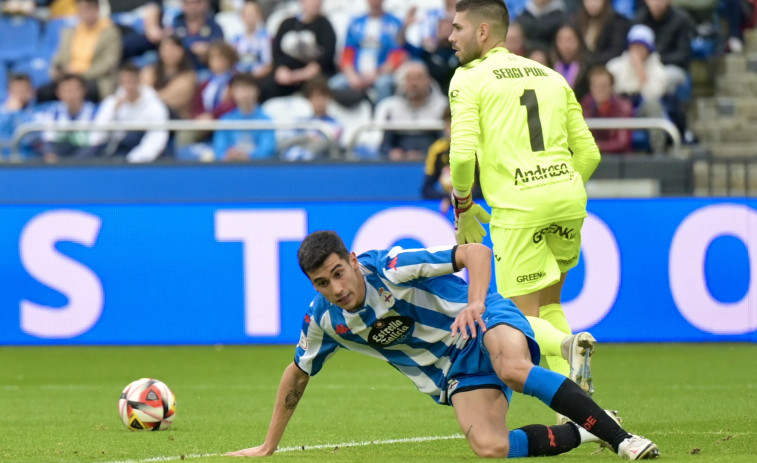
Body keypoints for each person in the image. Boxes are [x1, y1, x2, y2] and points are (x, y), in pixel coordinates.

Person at [226, 230, 660, 459]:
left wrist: (474, 304)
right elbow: (297, 373)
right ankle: (586, 433)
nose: (336, 288)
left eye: (339, 273)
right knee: (490, 447)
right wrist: (268, 446)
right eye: (322, 283)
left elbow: (476, 253)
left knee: (511, 367)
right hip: (457, 372)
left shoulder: (391, 267)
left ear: (353, 261)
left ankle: (623, 439)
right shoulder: (323, 319)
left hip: (486, 319)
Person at [446, 0, 601, 398]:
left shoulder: (469, 78)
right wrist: (559, 185)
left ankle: (568, 345)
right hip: (568, 199)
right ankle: (582, 409)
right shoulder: (551, 76)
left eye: (458, 28)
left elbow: (462, 155)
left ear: (483, 32)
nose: (450, 37)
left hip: (520, 208)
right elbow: (590, 154)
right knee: (550, 303)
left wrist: (463, 206)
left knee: (515, 316)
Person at [88, 63, 170, 162]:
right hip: (113, 154)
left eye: (133, 82)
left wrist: (132, 160)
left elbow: (157, 139)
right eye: (126, 82)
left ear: (140, 82)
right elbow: (96, 138)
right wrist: (112, 112)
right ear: (120, 83)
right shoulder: (111, 103)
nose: (129, 86)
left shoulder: (155, 106)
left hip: (139, 159)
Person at [606, 24, 668, 152]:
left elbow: (652, 95)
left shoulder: (659, 70)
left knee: (653, 106)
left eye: (642, 46)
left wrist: (640, 69)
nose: (637, 51)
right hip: (619, 109)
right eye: (635, 46)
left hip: (640, 110)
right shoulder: (614, 66)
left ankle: (659, 151)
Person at [43, 0, 122, 102]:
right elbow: (58, 57)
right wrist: (57, 72)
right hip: (68, 76)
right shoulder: (70, 32)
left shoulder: (110, 32)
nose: (84, 13)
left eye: (88, 8)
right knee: (44, 92)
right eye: (81, 9)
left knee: (84, 91)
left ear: (97, 9)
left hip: (93, 79)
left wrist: (80, 74)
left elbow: (108, 63)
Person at [329, 0, 406, 103]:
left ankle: (380, 115)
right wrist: (352, 76)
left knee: (383, 84)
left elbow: (397, 55)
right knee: (333, 85)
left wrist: (377, 74)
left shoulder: (395, 23)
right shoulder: (356, 23)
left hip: (381, 74)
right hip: (356, 74)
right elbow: (347, 54)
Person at [261, 0, 337, 101]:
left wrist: (298, 75)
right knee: (264, 87)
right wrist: (280, 68)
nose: (316, 3)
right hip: (286, 73)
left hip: (311, 75)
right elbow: (276, 51)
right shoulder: (286, 24)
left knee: (317, 88)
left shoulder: (325, 26)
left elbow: (326, 56)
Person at [380, 61, 448, 161]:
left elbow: (446, 142)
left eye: (419, 78)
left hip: (432, 161)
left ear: (428, 80)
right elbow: (385, 146)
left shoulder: (442, 106)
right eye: (410, 79)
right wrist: (392, 152)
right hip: (399, 164)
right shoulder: (392, 108)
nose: (414, 83)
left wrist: (426, 153)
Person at [212, 73, 276, 161]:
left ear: (257, 91)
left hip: (258, 169)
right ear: (233, 92)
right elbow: (219, 150)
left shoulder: (266, 120)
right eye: (240, 88)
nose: (244, 93)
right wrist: (228, 155)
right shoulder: (226, 120)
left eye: (248, 88)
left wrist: (248, 156)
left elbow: (268, 151)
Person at [35, 73, 98, 162]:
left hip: (86, 158)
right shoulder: (53, 111)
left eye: (74, 90)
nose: (71, 95)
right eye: (67, 91)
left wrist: (74, 163)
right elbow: (47, 139)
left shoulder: (95, 111)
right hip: (59, 157)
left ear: (84, 90)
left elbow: (96, 142)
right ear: (58, 93)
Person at [280, 77, 342, 161]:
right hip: (295, 166)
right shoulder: (300, 122)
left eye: (322, 97)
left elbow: (325, 144)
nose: (319, 101)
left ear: (329, 98)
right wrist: (307, 137)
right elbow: (282, 144)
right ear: (309, 99)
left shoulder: (336, 124)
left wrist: (300, 143)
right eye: (315, 97)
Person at [140, 34, 198, 119]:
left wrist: (149, 99)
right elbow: (142, 94)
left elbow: (170, 99)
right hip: (148, 117)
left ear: (181, 50)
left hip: (176, 119)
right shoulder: (150, 71)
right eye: (165, 49)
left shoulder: (189, 76)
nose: (169, 53)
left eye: (173, 48)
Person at [580, 66, 634, 154]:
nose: (599, 90)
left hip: (618, 159)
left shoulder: (623, 107)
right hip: (591, 157)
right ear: (591, 88)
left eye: (603, 86)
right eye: (596, 86)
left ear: (611, 87)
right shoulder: (585, 106)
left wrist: (598, 146)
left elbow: (622, 142)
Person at [170, 0, 225, 71]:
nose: (193, 7)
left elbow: (220, 49)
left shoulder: (214, 26)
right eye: (188, 3)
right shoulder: (176, 22)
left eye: (198, 2)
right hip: (181, 68)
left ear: (206, 3)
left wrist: (208, 49)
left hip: (206, 68)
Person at [575, 0, 631, 67]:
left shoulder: (617, 21)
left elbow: (615, 51)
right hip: (583, 67)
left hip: (607, 66)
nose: (592, 4)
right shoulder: (578, 21)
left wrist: (591, 61)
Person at [232, 0, 272, 78]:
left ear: (259, 16)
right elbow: (233, 63)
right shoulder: (236, 39)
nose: (250, 18)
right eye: (247, 14)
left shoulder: (265, 37)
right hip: (240, 77)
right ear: (242, 17)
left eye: (253, 14)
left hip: (259, 76)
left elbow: (268, 64)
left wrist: (254, 75)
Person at [552, 24, 590, 101]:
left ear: (579, 41)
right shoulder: (550, 66)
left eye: (570, 40)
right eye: (561, 40)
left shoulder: (589, 68)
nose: (566, 46)